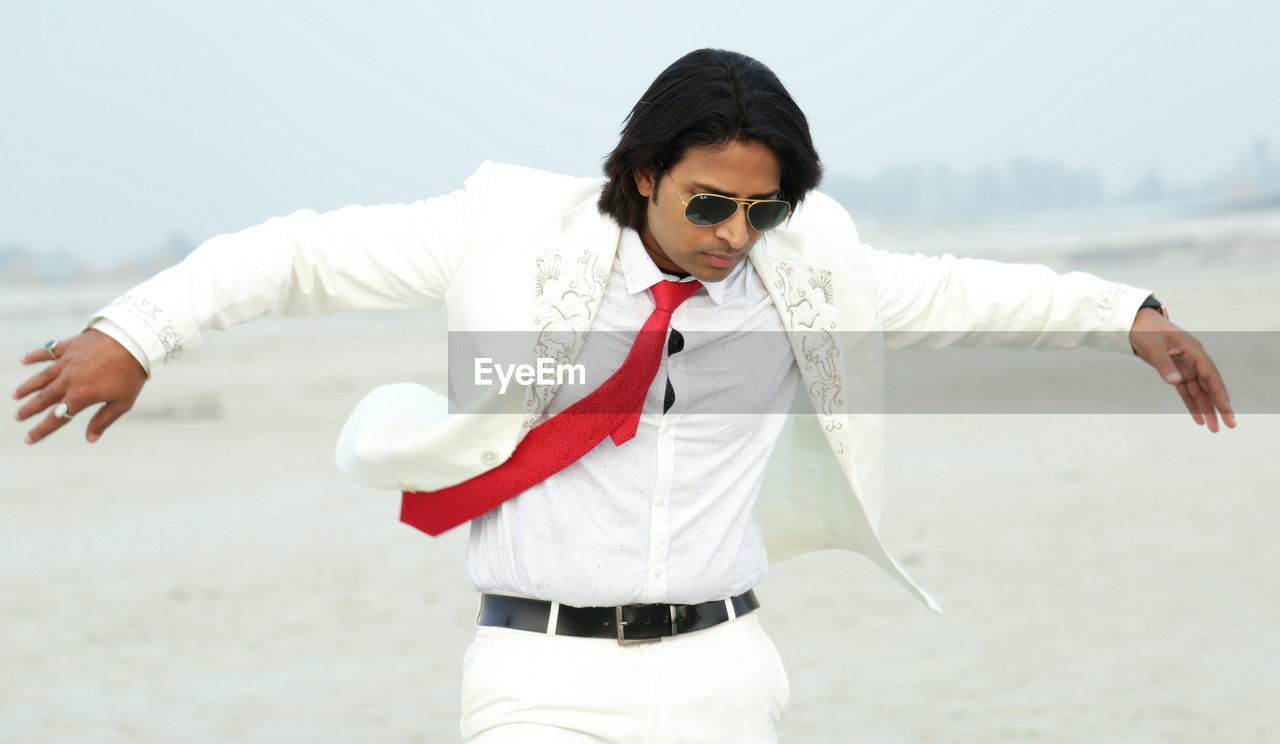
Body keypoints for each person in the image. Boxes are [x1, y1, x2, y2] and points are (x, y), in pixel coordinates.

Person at [12, 48, 1233, 742]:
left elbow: (960, 291)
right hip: (542, 677)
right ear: (645, 173)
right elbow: (296, 255)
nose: (733, 236)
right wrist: (137, 328)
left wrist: (1121, 316)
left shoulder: (795, 271)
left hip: (723, 670)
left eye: (762, 210)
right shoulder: (512, 232)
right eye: (708, 203)